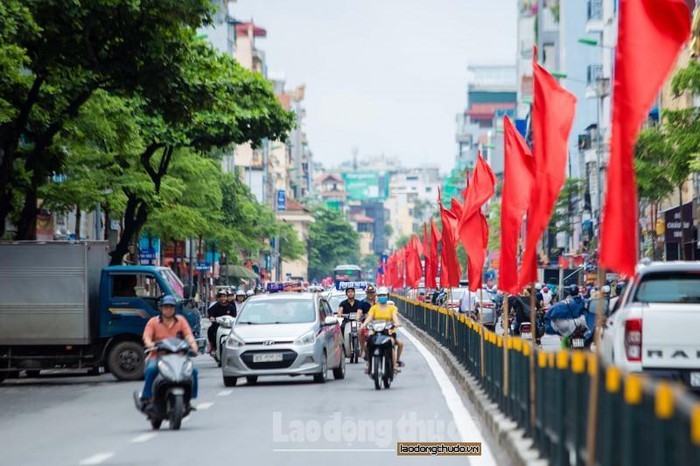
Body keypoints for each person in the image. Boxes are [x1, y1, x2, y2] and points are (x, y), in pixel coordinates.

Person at [137, 295, 199, 409]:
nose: (168, 310)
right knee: (151, 369)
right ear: (161, 308)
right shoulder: (153, 322)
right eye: (166, 307)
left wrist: (193, 345)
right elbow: (147, 337)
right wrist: (151, 345)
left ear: (174, 309)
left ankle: (190, 398)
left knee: (193, 371)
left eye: (171, 307)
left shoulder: (181, 320)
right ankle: (147, 397)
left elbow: (188, 335)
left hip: (178, 356)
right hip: (158, 356)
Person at [361, 287, 403, 374]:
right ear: (377, 296)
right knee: (367, 344)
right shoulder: (374, 308)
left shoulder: (392, 308)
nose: (382, 297)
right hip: (376, 331)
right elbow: (369, 317)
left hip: (389, 332)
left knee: (395, 343)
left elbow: (395, 317)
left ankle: (395, 364)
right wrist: (363, 325)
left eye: (384, 295)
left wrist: (396, 323)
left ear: (387, 296)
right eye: (380, 295)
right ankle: (369, 364)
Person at [207, 290, 231, 355]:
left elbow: (235, 315)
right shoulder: (215, 306)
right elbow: (210, 313)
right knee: (211, 330)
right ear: (219, 298)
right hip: (217, 325)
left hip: (229, 326)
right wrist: (212, 317)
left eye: (224, 297)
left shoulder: (231, 306)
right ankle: (213, 346)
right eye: (221, 297)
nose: (223, 298)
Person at [359, 284, 379, 357]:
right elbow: (359, 312)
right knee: (359, 330)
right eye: (369, 292)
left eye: (372, 292)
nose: (371, 294)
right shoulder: (362, 302)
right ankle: (363, 349)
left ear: (375, 293)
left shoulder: (379, 302)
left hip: (378, 323)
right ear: (366, 293)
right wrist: (358, 318)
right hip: (366, 323)